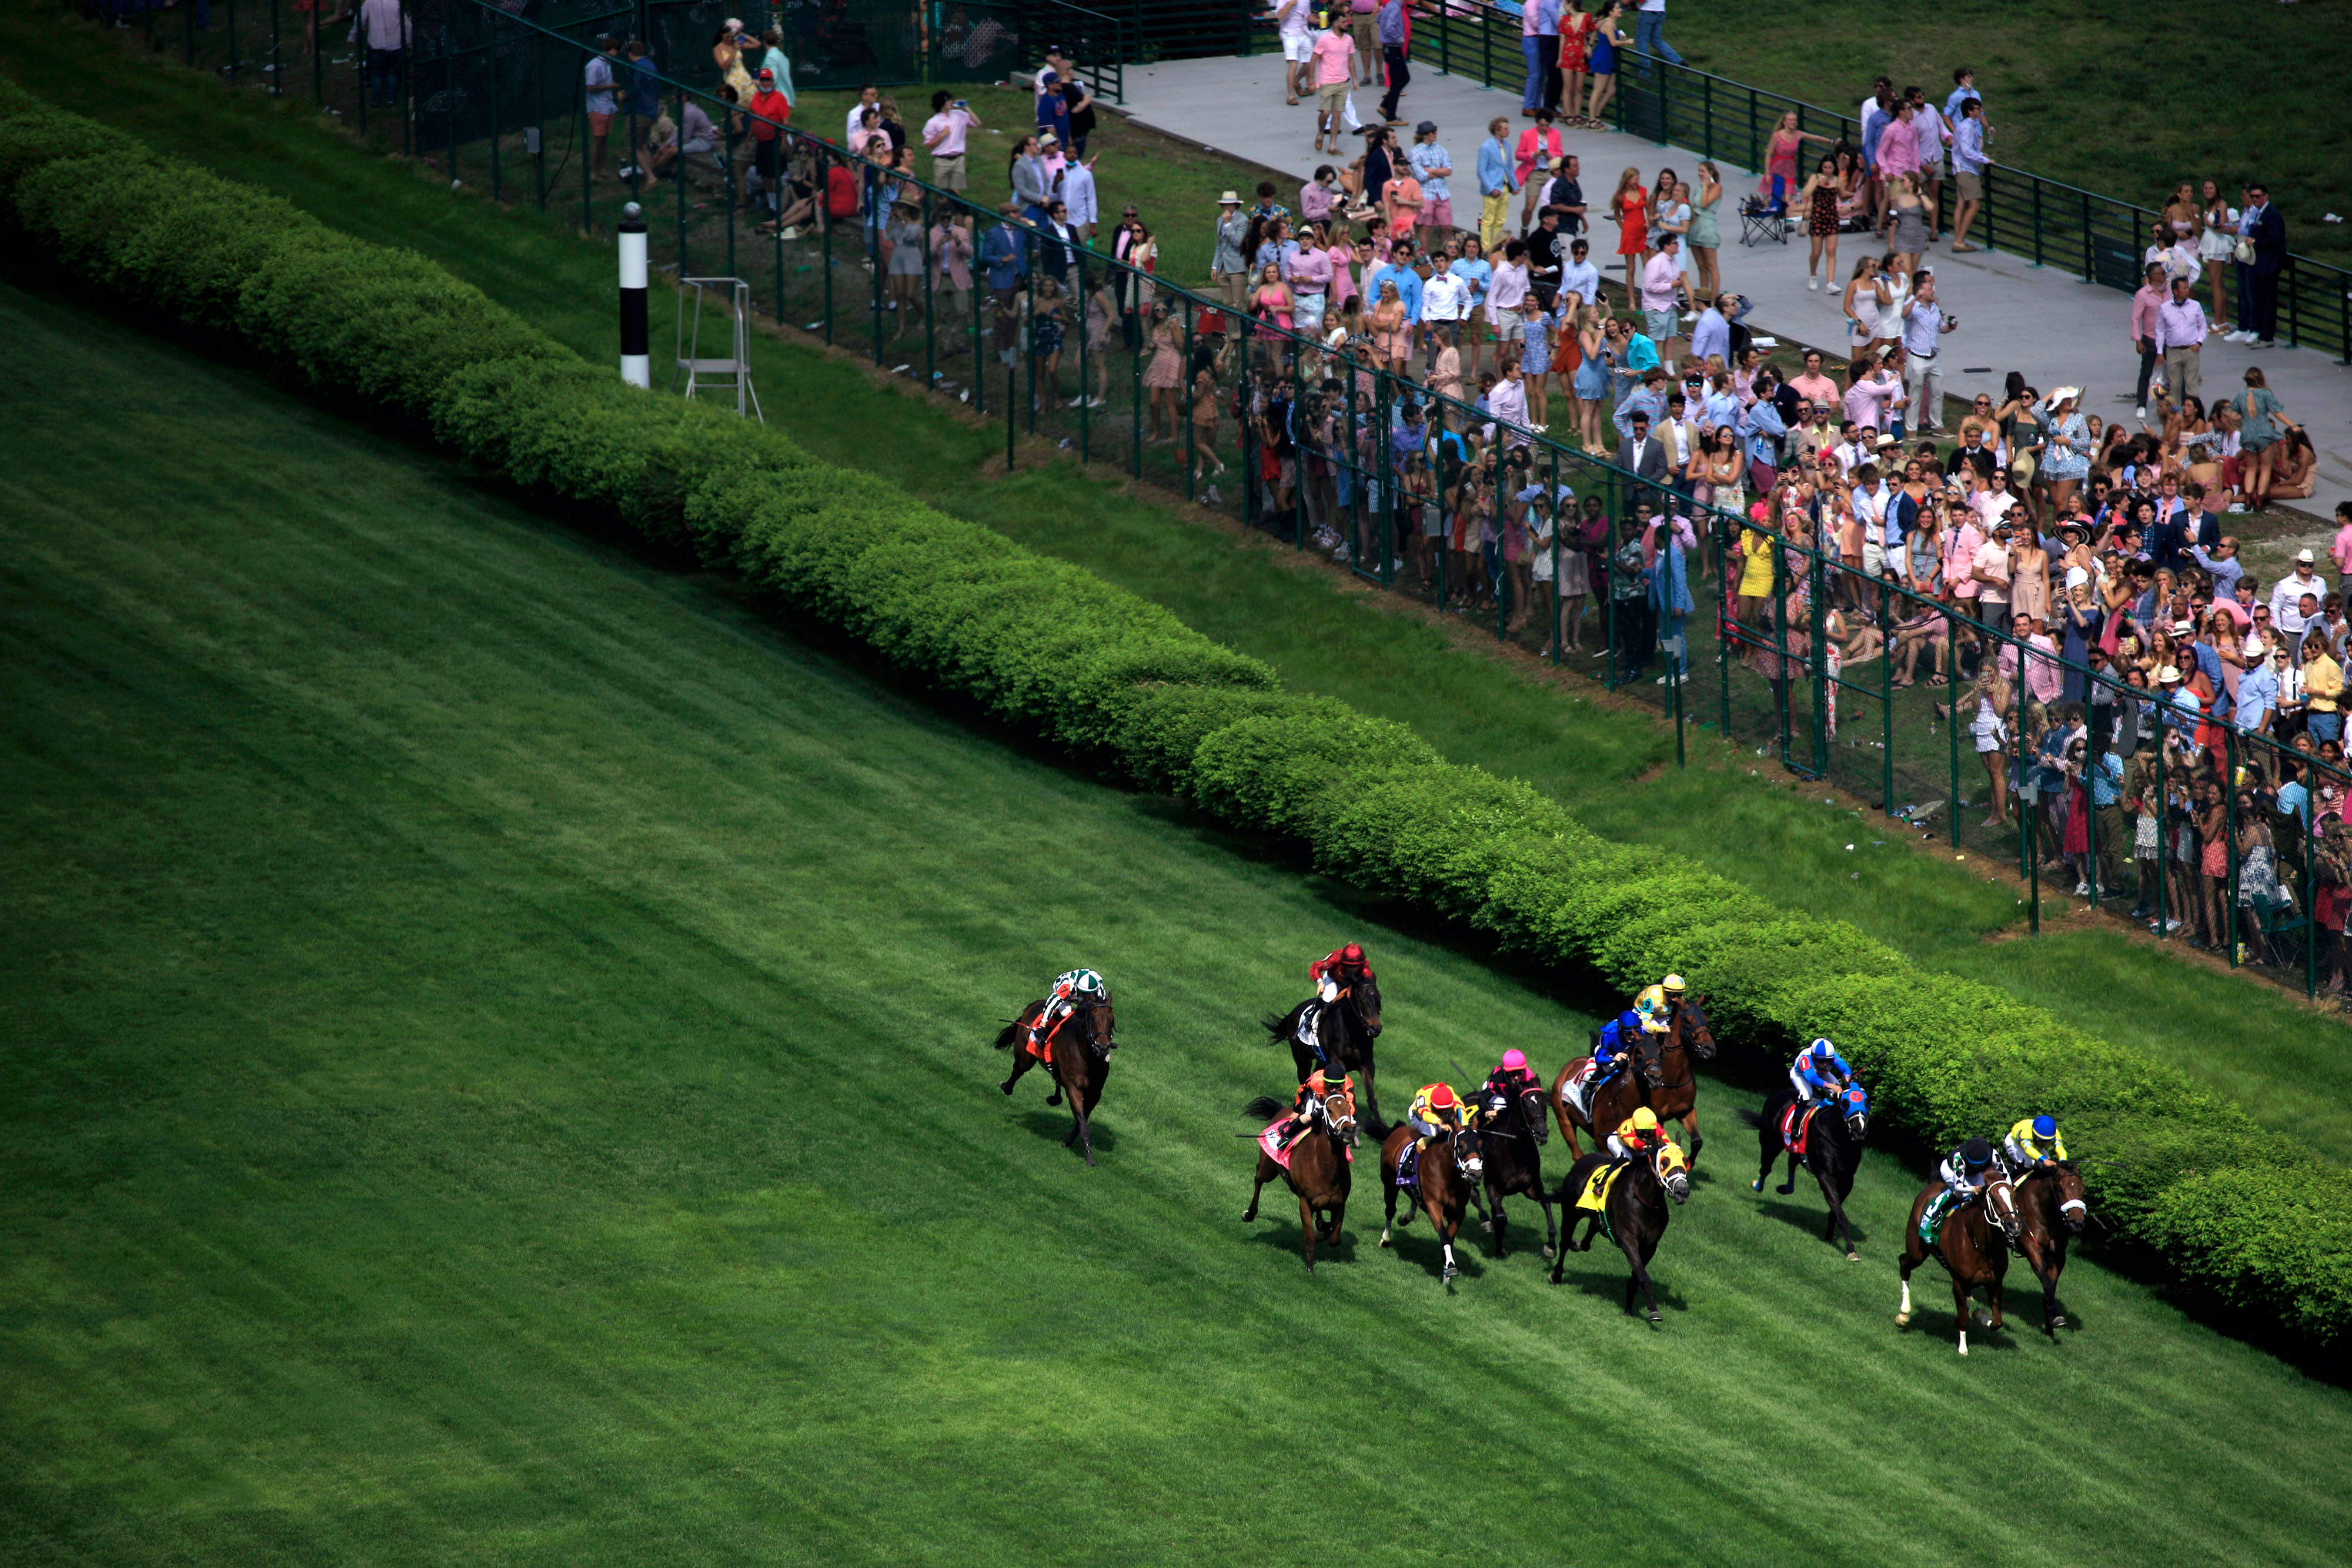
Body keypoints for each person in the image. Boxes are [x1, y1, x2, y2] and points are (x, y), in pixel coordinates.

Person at [1899, 270, 1956, 434]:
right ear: (1922, 292)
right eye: (1930, 289)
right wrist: (1916, 298)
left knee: (1938, 392)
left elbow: (1940, 328)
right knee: (1915, 393)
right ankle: (1911, 428)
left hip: (1933, 357)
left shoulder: (1935, 308)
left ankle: (1937, 425)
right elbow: (1904, 315)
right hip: (1917, 356)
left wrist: (1949, 329)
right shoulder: (1914, 308)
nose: (1934, 291)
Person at [2230, 182, 2285, 348]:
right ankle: (2259, 332)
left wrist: (2255, 242)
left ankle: (2267, 336)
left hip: (2268, 264)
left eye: (2258, 196)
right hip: (2256, 263)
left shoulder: (2271, 214)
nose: (2255, 199)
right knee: (2257, 299)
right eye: (2252, 196)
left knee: (2267, 301)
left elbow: (2275, 239)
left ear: (2265, 196)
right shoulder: (2257, 213)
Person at [1920, 1137, 2000, 1239]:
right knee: (1964, 1194)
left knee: (1985, 1192)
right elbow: (1959, 1187)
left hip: (1973, 1174)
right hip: (1950, 1170)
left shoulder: (1994, 1156)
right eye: (1974, 1164)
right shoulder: (1959, 1158)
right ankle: (1939, 1214)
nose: (1977, 1166)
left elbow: (2007, 1178)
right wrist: (1973, 1189)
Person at [1401, 1080, 1471, 1185]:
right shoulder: (1423, 1097)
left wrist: (1464, 1127)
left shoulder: (1451, 1094)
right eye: (1441, 1110)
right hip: (1419, 1114)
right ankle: (1410, 1161)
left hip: (1436, 1112)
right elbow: (1425, 1114)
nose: (1443, 1112)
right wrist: (1439, 1122)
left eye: (1446, 1109)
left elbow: (1461, 1110)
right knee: (1434, 1133)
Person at [1028, 967, 1107, 1053]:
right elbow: (1052, 1003)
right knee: (1066, 1011)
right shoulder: (1068, 985)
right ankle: (1045, 1035)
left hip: (1079, 992)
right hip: (1063, 988)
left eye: (1089, 994)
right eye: (1084, 994)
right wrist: (1042, 1025)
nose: (1087, 997)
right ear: (1077, 987)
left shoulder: (1099, 989)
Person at [1311, 13, 1357, 156]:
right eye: (1343, 22)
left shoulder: (1349, 40)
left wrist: (1354, 79)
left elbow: (1351, 61)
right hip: (1327, 81)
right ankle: (1320, 132)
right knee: (1325, 112)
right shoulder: (1324, 40)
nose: (1346, 24)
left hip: (1343, 82)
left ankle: (1332, 146)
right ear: (1335, 24)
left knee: (1337, 114)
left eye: (1347, 21)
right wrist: (1311, 82)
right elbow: (1313, 60)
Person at [1948, 97, 1989, 252]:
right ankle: (1959, 241)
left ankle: (1958, 239)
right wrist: (1983, 159)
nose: (1980, 110)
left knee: (1961, 204)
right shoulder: (1967, 127)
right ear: (1970, 111)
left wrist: (1979, 153)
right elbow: (1965, 150)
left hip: (1960, 168)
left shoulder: (1964, 126)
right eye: (1977, 108)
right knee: (1974, 206)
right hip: (1967, 170)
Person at [922, 91, 981, 193]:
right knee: (941, 192)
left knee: (957, 190)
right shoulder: (933, 122)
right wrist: (942, 136)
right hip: (942, 160)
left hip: (958, 158)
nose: (951, 102)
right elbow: (928, 145)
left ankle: (956, 209)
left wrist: (966, 108)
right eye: (948, 100)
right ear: (941, 103)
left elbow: (977, 123)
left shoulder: (960, 115)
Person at [583, 35, 621, 180]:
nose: (617, 53)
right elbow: (591, 87)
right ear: (610, 49)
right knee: (598, 140)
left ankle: (602, 168)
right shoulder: (594, 66)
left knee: (605, 140)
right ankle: (593, 171)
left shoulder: (607, 64)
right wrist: (609, 87)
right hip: (597, 108)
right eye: (616, 50)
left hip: (607, 107)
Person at [1789, 1036, 1852, 1107]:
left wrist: (1847, 1078)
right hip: (1801, 1076)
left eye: (1828, 1060)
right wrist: (1831, 1086)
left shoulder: (1833, 1056)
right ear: (1813, 1056)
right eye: (1821, 1061)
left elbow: (1846, 1069)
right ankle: (1797, 1118)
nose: (1825, 1064)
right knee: (1807, 1095)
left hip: (1822, 1074)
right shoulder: (1805, 1058)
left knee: (1840, 1092)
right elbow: (1812, 1079)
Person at [1376, 0, 1411, 125]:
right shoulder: (1395, 8)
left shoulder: (1390, 5)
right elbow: (1389, 26)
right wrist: (1398, 38)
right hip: (1393, 48)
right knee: (1399, 82)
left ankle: (1385, 106)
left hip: (1389, 48)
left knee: (1402, 79)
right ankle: (1391, 117)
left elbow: (1379, 18)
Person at [2002, 1114, 2068, 1174]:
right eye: (2041, 1141)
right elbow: (2029, 1150)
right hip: (2015, 1143)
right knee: (2028, 1163)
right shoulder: (2025, 1132)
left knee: (2049, 1165)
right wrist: (2045, 1160)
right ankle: (2011, 1182)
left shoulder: (2055, 1133)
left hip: (2034, 1144)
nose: (2044, 1144)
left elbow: (2061, 1150)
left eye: (2048, 1141)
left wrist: (2063, 1161)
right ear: (2034, 1134)